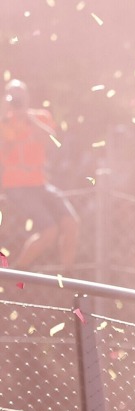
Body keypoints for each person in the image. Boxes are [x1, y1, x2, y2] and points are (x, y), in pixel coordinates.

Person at [0, 79, 80, 270]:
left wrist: (28, 118)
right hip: (16, 186)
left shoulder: (40, 117)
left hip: (40, 184)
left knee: (71, 223)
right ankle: (18, 272)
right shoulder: (4, 122)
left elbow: (52, 141)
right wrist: (6, 115)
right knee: (50, 231)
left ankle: (67, 274)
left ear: (27, 97)